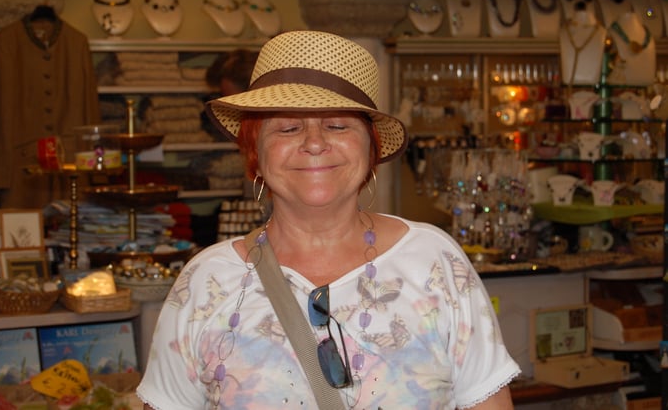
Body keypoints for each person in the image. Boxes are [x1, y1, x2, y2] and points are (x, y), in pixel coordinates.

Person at [137, 30, 520, 409]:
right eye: (288, 128)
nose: (315, 142)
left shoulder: (434, 262)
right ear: (255, 153)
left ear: (370, 147)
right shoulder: (206, 282)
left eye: (337, 125)